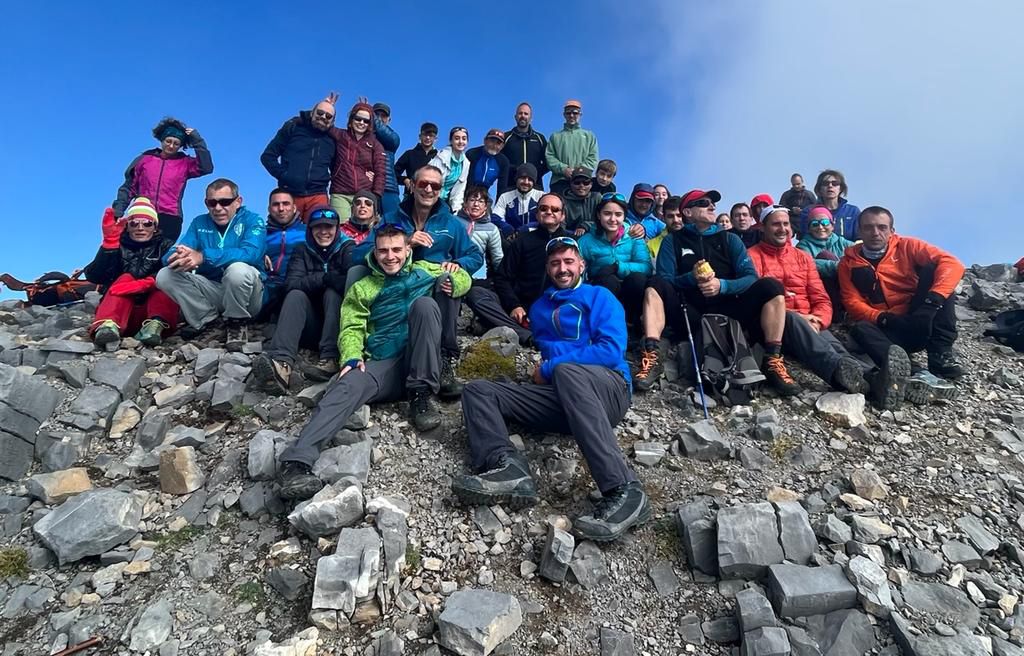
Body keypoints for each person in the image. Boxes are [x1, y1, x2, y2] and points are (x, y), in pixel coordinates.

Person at [452, 236, 650, 543]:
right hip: (565, 397)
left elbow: (610, 351)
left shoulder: (600, 297)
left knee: (565, 369)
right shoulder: (540, 308)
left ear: (581, 265)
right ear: (548, 267)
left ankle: (624, 488)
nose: (562, 268)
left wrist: (548, 369)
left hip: (609, 389)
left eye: (569, 261)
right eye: (556, 263)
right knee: (479, 390)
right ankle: (507, 468)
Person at [277, 224, 472, 500]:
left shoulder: (426, 270)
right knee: (346, 384)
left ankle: (421, 394)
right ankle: (297, 463)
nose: (390, 256)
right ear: (375, 252)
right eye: (383, 250)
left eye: (396, 249)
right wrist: (352, 357)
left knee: (425, 306)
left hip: (423, 358)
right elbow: (352, 326)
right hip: (385, 362)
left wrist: (455, 280)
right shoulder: (363, 287)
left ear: (407, 250)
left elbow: (463, 277)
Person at [635, 189, 797, 395]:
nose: (712, 206)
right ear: (688, 212)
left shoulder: (730, 239)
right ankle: (652, 355)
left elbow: (749, 277)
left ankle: (773, 359)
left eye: (712, 203)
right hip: (689, 312)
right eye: (704, 203)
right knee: (655, 284)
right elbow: (667, 279)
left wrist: (723, 286)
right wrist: (691, 278)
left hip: (730, 310)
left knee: (771, 287)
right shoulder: (673, 240)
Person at [354, 166, 484, 397]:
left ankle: (444, 358)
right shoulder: (391, 219)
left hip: (433, 287)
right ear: (412, 186)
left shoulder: (452, 223)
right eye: (423, 183)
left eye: (435, 185)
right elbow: (361, 253)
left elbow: (475, 255)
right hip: (397, 284)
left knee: (447, 281)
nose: (428, 189)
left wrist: (460, 264)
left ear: (441, 190)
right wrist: (407, 243)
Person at [839, 206, 965, 407]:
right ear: (860, 231)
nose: (875, 233)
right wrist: (884, 318)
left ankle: (940, 355)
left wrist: (930, 304)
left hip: (920, 316)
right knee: (860, 328)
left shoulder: (908, 246)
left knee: (938, 273)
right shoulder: (848, 263)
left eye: (882, 227)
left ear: (892, 230)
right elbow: (852, 301)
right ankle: (915, 373)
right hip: (890, 327)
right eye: (868, 227)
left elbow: (952, 264)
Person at [747, 206, 868, 394]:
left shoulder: (802, 257)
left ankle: (872, 378)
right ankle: (837, 373)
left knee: (835, 346)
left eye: (786, 224)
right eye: (776, 224)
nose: (782, 229)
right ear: (762, 227)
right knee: (808, 334)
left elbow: (820, 296)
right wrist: (803, 318)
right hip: (777, 324)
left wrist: (818, 320)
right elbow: (759, 298)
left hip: (810, 320)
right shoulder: (752, 256)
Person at [252, 206, 354, 393]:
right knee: (295, 295)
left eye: (329, 227)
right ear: (310, 229)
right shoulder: (301, 250)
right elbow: (291, 284)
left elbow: (351, 284)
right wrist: (324, 278)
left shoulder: (347, 248)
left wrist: (325, 282)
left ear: (337, 228)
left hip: (339, 325)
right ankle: (281, 363)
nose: (324, 232)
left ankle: (331, 358)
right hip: (307, 324)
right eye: (318, 227)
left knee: (333, 293)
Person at [155, 178, 266, 350]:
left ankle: (237, 324)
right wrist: (178, 258)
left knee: (237, 269)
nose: (218, 208)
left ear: (238, 202)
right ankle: (210, 322)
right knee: (165, 274)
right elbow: (176, 250)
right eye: (212, 203)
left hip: (248, 297)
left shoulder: (254, 221)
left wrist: (203, 256)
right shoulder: (200, 222)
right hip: (215, 291)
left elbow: (250, 254)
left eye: (225, 202)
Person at [85, 198, 179, 346]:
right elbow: (94, 275)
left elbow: (175, 272)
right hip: (119, 311)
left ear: (155, 227)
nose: (140, 228)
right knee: (125, 278)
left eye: (147, 223)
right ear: (127, 226)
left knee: (165, 284)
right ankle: (107, 326)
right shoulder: (117, 242)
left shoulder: (165, 245)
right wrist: (109, 245)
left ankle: (155, 327)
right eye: (134, 223)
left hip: (149, 312)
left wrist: (148, 283)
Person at [483, 193, 572, 345]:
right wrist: (514, 305)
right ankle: (526, 334)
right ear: (537, 214)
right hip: (520, 310)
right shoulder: (522, 241)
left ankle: (521, 331)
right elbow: (502, 277)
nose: (549, 212)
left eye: (555, 209)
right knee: (478, 295)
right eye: (543, 208)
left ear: (562, 216)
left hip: (556, 310)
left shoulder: (571, 244)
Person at [113, 118, 213, 242]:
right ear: (162, 140)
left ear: (181, 146)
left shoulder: (185, 163)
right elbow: (129, 187)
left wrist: (197, 140)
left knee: (162, 257)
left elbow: (206, 167)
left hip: (170, 217)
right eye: (168, 141)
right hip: (143, 214)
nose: (171, 146)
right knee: (131, 254)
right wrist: (118, 210)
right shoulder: (144, 159)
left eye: (176, 144)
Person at [578, 194, 652, 327]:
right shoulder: (586, 240)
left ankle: (632, 323)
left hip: (629, 290)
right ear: (599, 215)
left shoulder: (634, 236)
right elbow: (578, 271)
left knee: (638, 279)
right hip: (602, 288)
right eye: (607, 213)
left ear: (624, 216)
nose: (613, 219)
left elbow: (646, 267)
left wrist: (617, 267)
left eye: (618, 214)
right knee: (608, 281)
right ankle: (606, 324)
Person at [260, 100, 335, 220]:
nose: (323, 117)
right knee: (288, 235)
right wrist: (284, 175)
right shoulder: (293, 128)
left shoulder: (332, 140)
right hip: (290, 193)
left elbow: (338, 166)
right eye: (320, 113)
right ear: (312, 113)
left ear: (332, 121)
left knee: (319, 234)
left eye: (328, 116)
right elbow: (267, 156)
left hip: (318, 195)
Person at [327, 99, 387, 221]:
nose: (361, 123)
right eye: (358, 118)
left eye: (366, 121)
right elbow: (322, 123)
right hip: (340, 192)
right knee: (343, 231)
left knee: (364, 232)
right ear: (351, 119)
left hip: (365, 195)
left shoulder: (376, 144)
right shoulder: (340, 135)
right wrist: (328, 107)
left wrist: (375, 195)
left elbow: (381, 171)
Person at [796, 205, 855, 321]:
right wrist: (838, 266)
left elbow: (859, 254)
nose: (820, 227)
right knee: (825, 256)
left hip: (846, 284)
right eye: (815, 224)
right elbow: (808, 264)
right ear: (809, 228)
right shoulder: (803, 246)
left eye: (825, 222)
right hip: (822, 288)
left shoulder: (842, 242)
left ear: (832, 225)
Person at [261, 189, 307, 318]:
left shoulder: (309, 232)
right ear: (269, 209)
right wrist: (258, 256)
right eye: (276, 204)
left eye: (286, 204)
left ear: (294, 208)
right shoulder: (258, 234)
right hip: (266, 286)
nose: (281, 208)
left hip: (296, 286)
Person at [545, 100, 598, 195]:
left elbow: (593, 158)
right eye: (568, 112)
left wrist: (579, 172)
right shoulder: (555, 136)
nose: (572, 115)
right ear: (564, 115)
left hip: (582, 183)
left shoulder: (589, 136)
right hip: (560, 182)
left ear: (580, 114)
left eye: (575, 112)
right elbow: (549, 157)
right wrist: (564, 169)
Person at [500, 102, 549, 193]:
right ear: (515, 117)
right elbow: (499, 161)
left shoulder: (539, 138)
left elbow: (548, 161)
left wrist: (534, 173)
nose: (523, 116)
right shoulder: (506, 137)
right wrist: (514, 171)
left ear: (531, 118)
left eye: (526, 114)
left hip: (535, 186)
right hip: (510, 186)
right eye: (520, 113)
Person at [799, 170, 860, 238]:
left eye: (835, 183)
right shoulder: (808, 211)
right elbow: (805, 238)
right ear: (819, 189)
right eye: (825, 183)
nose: (830, 186)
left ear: (841, 188)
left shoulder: (853, 212)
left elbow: (859, 239)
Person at [493, 163, 544, 237]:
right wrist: (506, 226)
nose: (526, 182)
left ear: (534, 182)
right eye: (523, 178)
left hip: (535, 238)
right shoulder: (505, 196)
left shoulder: (542, 196)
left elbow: (547, 218)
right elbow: (495, 217)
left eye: (530, 179)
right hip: (511, 238)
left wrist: (528, 227)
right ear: (516, 179)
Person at [430, 127, 470, 213]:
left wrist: (456, 211)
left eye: (464, 139)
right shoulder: (441, 158)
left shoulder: (466, 163)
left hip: (444, 203)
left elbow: (459, 190)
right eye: (456, 138)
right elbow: (431, 183)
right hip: (429, 198)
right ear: (451, 141)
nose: (460, 142)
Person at [395, 122, 438, 199]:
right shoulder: (409, 154)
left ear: (435, 139)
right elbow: (393, 172)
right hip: (410, 197)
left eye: (431, 136)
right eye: (425, 134)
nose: (428, 138)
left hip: (431, 198)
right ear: (420, 136)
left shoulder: (439, 157)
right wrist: (404, 180)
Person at [372, 103, 401, 217]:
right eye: (376, 115)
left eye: (383, 116)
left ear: (389, 119)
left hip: (388, 188)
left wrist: (372, 117)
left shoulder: (393, 137)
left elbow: (383, 132)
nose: (379, 118)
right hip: (368, 186)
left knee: (394, 225)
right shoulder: (364, 136)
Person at [466, 129, 510, 195]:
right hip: (465, 190)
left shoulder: (503, 161)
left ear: (502, 146)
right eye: (492, 141)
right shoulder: (472, 154)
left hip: (485, 193)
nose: (494, 145)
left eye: (498, 143)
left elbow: (502, 188)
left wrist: (499, 205)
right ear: (485, 141)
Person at [561, 168, 601, 236]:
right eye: (577, 182)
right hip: (571, 237)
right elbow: (561, 225)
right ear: (571, 183)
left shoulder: (597, 198)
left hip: (594, 235)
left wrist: (586, 225)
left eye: (586, 183)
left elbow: (604, 220)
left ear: (591, 184)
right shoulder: (562, 201)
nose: (581, 186)